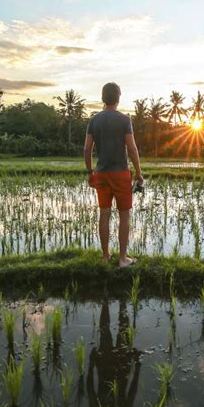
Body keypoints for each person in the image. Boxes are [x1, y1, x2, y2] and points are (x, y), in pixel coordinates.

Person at [84, 82, 144, 268]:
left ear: (103, 98)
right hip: (120, 173)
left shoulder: (94, 120)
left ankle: (105, 255)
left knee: (104, 213)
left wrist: (90, 170)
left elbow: (87, 149)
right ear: (118, 98)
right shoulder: (125, 120)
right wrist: (139, 174)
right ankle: (123, 258)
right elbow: (132, 149)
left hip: (101, 173)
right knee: (124, 215)